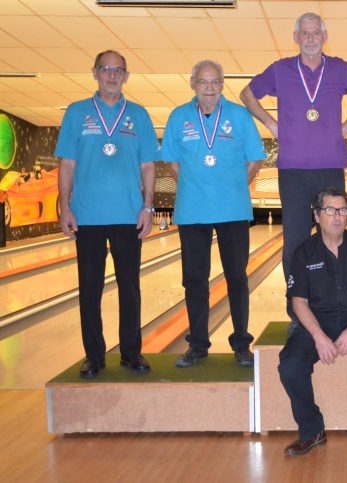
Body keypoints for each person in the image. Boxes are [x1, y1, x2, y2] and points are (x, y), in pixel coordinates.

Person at [240, 13, 347, 323]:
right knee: (294, 242)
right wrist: (271, 123)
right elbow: (247, 94)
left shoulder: (341, 69)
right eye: (304, 33)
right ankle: (297, 313)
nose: (310, 38)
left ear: (324, 36)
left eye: (315, 33)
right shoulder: (280, 70)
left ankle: (334, 305)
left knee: (334, 237)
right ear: (296, 37)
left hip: (331, 167)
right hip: (292, 170)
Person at [55, 50, 157, 378]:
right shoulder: (76, 112)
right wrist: (64, 206)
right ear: (95, 72)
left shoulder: (138, 115)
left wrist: (148, 206)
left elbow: (148, 165)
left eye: (118, 70)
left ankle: (131, 353)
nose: (112, 75)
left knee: (130, 288)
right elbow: (67, 164)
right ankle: (94, 356)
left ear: (126, 76)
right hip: (87, 216)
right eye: (106, 69)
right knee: (89, 289)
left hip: (128, 215)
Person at [161, 60, 266, 367]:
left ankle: (241, 344)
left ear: (222, 84)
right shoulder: (178, 116)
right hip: (192, 210)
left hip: (233, 209)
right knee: (195, 280)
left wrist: (234, 186)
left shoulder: (240, 115)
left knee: (237, 278)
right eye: (203, 82)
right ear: (193, 83)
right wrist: (194, 186)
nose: (209, 87)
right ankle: (197, 345)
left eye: (215, 82)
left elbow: (255, 160)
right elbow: (172, 162)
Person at [278, 188, 347, 457]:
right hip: (316, 322)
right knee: (290, 365)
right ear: (317, 216)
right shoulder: (303, 252)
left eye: (342, 210)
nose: (337, 216)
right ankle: (312, 431)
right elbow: (299, 302)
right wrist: (318, 336)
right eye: (330, 210)